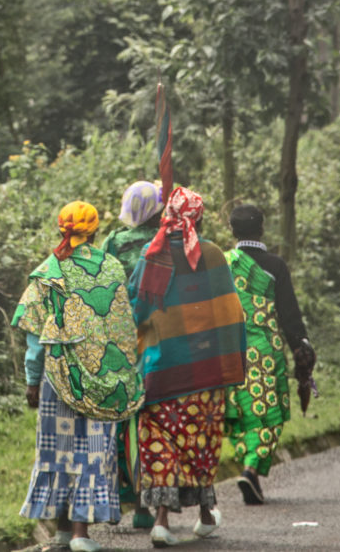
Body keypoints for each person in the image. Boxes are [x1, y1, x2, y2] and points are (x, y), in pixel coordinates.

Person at [11, 201, 144, 552]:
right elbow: (122, 327)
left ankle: (64, 532)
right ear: (96, 232)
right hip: (105, 381)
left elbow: (35, 339)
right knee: (93, 450)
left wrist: (31, 380)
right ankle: (82, 533)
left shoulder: (49, 272)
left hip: (60, 380)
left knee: (59, 451)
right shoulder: (113, 268)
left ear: (61, 230)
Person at [129, 187, 247, 547]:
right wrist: (233, 364)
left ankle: (161, 522)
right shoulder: (212, 255)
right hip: (204, 372)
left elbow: (135, 310)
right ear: (197, 216)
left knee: (159, 442)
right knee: (200, 441)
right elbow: (230, 313)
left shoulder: (151, 256)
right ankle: (205, 516)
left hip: (159, 370)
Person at [224, 204, 315, 505]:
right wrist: (301, 347)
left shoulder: (224, 264)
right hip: (266, 350)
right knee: (270, 411)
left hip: (231, 349)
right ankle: (251, 467)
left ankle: (247, 465)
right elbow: (289, 315)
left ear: (232, 231)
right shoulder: (275, 266)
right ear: (261, 230)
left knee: (240, 409)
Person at [102, 180, 163, 530]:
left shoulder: (112, 242)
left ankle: (115, 500)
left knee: (119, 418)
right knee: (149, 419)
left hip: (119, 340)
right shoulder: (164, 242)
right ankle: (144, 504)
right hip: (156, 339)